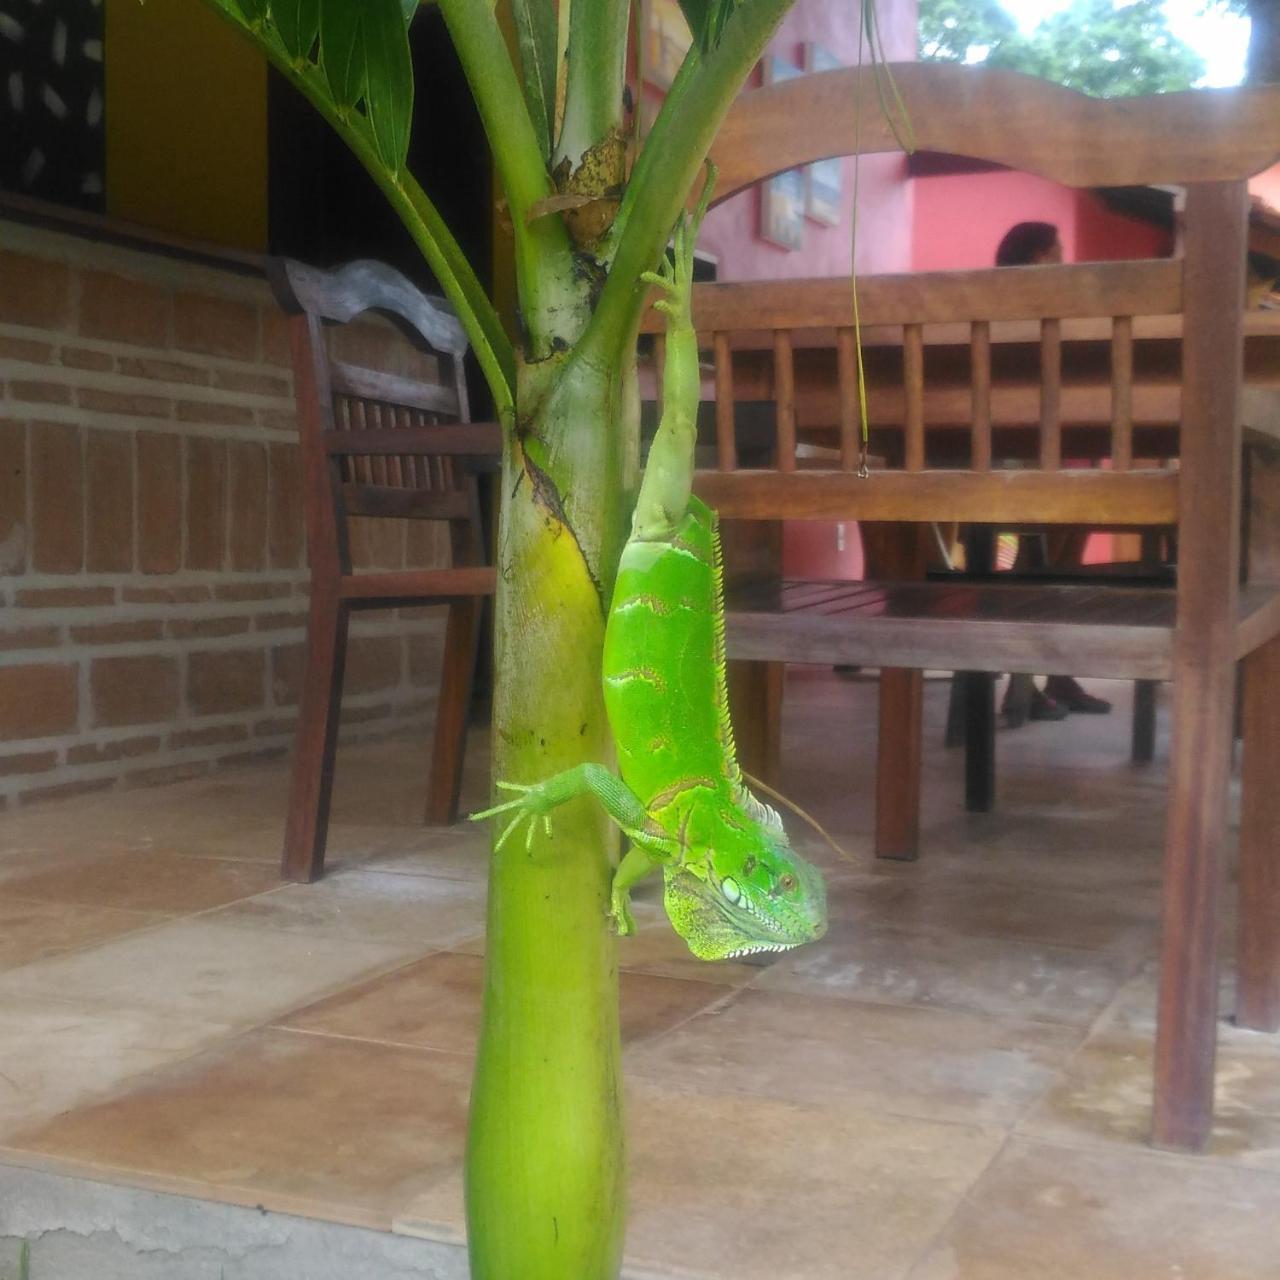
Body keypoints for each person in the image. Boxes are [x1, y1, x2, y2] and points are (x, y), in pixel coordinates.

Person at [993, 222, 1112, 723]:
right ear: (1042, 255)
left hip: (999, 457)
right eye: (1058, 250)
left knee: (1044, 562)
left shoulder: (987, 302)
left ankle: (1049, 678)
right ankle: (1032, 680)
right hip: (1051, 456)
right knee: (1052, 564)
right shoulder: (1052, 305)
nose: (1063, 259)